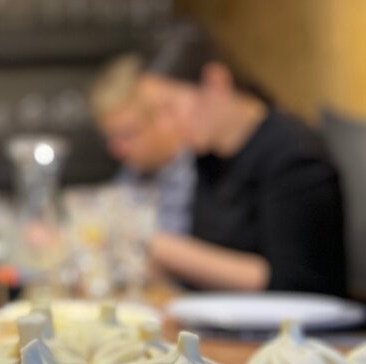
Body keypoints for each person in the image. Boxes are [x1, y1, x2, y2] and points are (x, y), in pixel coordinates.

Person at [139, 20, 346, 295]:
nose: (165, 126)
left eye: (169, 108)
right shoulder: (208, 154)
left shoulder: (294, 154)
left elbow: (293, 281)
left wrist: (161, 248)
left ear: (216, 82)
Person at [89, 52, 196, 235]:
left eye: (127, 134)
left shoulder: (203, 172)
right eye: (110, 137)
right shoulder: (136, 170)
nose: (116, 149)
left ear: (165, 117)